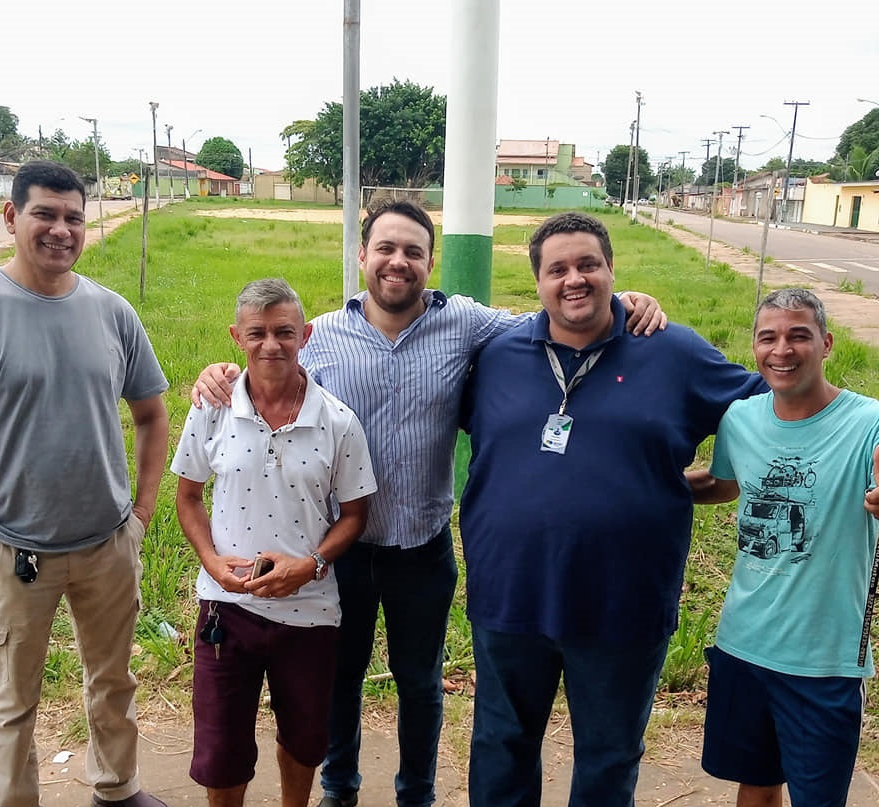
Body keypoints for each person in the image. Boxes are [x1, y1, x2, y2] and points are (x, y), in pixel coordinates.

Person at [191, 199, 666, 807]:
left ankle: (416, 794)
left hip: (423, 548)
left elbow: (551, 316)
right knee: (340, 678)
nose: (399, 262)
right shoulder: (320, 335)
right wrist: (217, 373)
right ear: (362, 256)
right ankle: (339, 787)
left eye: (413, 251)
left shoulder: (465, 324)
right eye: (386, 248)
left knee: (420, 684)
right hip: (340, 548)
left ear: (430, 262)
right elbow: (265, 360)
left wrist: (625, 301)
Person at [458, 211, 768, 807]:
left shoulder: (673, 351)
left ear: (611, 270)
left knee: (609, 754)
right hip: (510, 592)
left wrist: (727, 478)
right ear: (538, 282)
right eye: (558, 269)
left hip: (623, 601)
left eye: (588, 265)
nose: (574, 279)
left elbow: (769, 408)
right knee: (501, 745)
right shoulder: (497, 355)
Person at [0, 161, 170, 807]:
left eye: (73, 218)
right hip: (14, 551)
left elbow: (151, 415)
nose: (61, 230)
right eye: (45, 214)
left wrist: (140, 515)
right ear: (11, 217)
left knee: (113, 682)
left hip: (108, 546)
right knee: (13, 697)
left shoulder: (112, 312)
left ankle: (117, 788)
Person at [171, 278, 377, 807]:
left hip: (310, 611)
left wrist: (311, 564)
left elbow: (355, 514)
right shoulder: (211, 408)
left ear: (305, 335)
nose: (271, 345)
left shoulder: (337, 421)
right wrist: (212, 562)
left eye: (284, 332)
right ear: (236, 336)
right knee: (221, 748)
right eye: (257, 332)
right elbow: (188, 497)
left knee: (305, 741)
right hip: (226, 608)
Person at [686, 288, 879, 807]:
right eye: (767, 337)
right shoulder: (741, 419)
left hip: (825, 662)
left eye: (799, 335)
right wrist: (646, 484)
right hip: (742, 644)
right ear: (754, 346)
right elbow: (725, 484)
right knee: (755, 786)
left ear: (826, 343)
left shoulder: (868, 423)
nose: (782, 350)